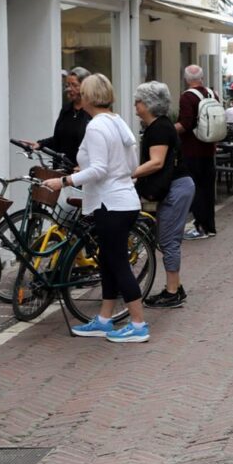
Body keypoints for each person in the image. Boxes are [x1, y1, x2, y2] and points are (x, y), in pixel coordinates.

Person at [42, 73, 149, 342]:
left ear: (88, 97)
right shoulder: (117, 121)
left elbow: (100, 169)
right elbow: (130, 163)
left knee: (117, 263)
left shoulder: (96, 126)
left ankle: (138, 324)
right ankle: (104, 319)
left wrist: (64, 181)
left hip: (110, 202)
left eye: (82, 92)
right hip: (123, 199)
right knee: (109, 262)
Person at [132, 81, 195, 309]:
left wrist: (129, 174)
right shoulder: (160, 125)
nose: (135, 105)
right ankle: (174, 286)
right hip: (178, 186)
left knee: (168, 240)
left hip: (176, 188)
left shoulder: (159, 128)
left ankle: (172, 292)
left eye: (138, 101)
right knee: (167, 238)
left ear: (148, 104)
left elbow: (156, 162)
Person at [175, 65, 219, 241]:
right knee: (207, 188)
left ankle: (200, 227)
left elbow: (185, 124)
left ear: (186, 79)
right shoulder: (212, 93)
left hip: (192, 148)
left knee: (195, 188)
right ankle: (210, 226)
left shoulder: (187, 97)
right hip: (209, 147)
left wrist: (168, 131)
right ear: (202, 77)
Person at [24, 66, 92, 167]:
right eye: (67, 85)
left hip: (81, 173)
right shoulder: (66, 109)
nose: (69, 89)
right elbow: (59, 138)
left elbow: (95, 146)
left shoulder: (91, 112)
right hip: (61, 169)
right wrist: (40, 144)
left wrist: (85, 166)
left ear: (86, 87)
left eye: (74, 85)